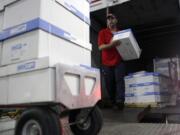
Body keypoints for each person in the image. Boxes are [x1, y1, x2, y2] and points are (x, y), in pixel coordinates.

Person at [98, 13, 125, 110]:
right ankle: (113, 102)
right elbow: (101, 47)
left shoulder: (121, 33)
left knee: (119, 81)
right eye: (108, 19)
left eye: (112, 18)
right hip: (107, 63)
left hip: (119, 61)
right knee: (109, 83)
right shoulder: (103, 32)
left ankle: (120, 101)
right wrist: (112, 45)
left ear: (116, 20)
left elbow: (127, 45)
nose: (110, 21)